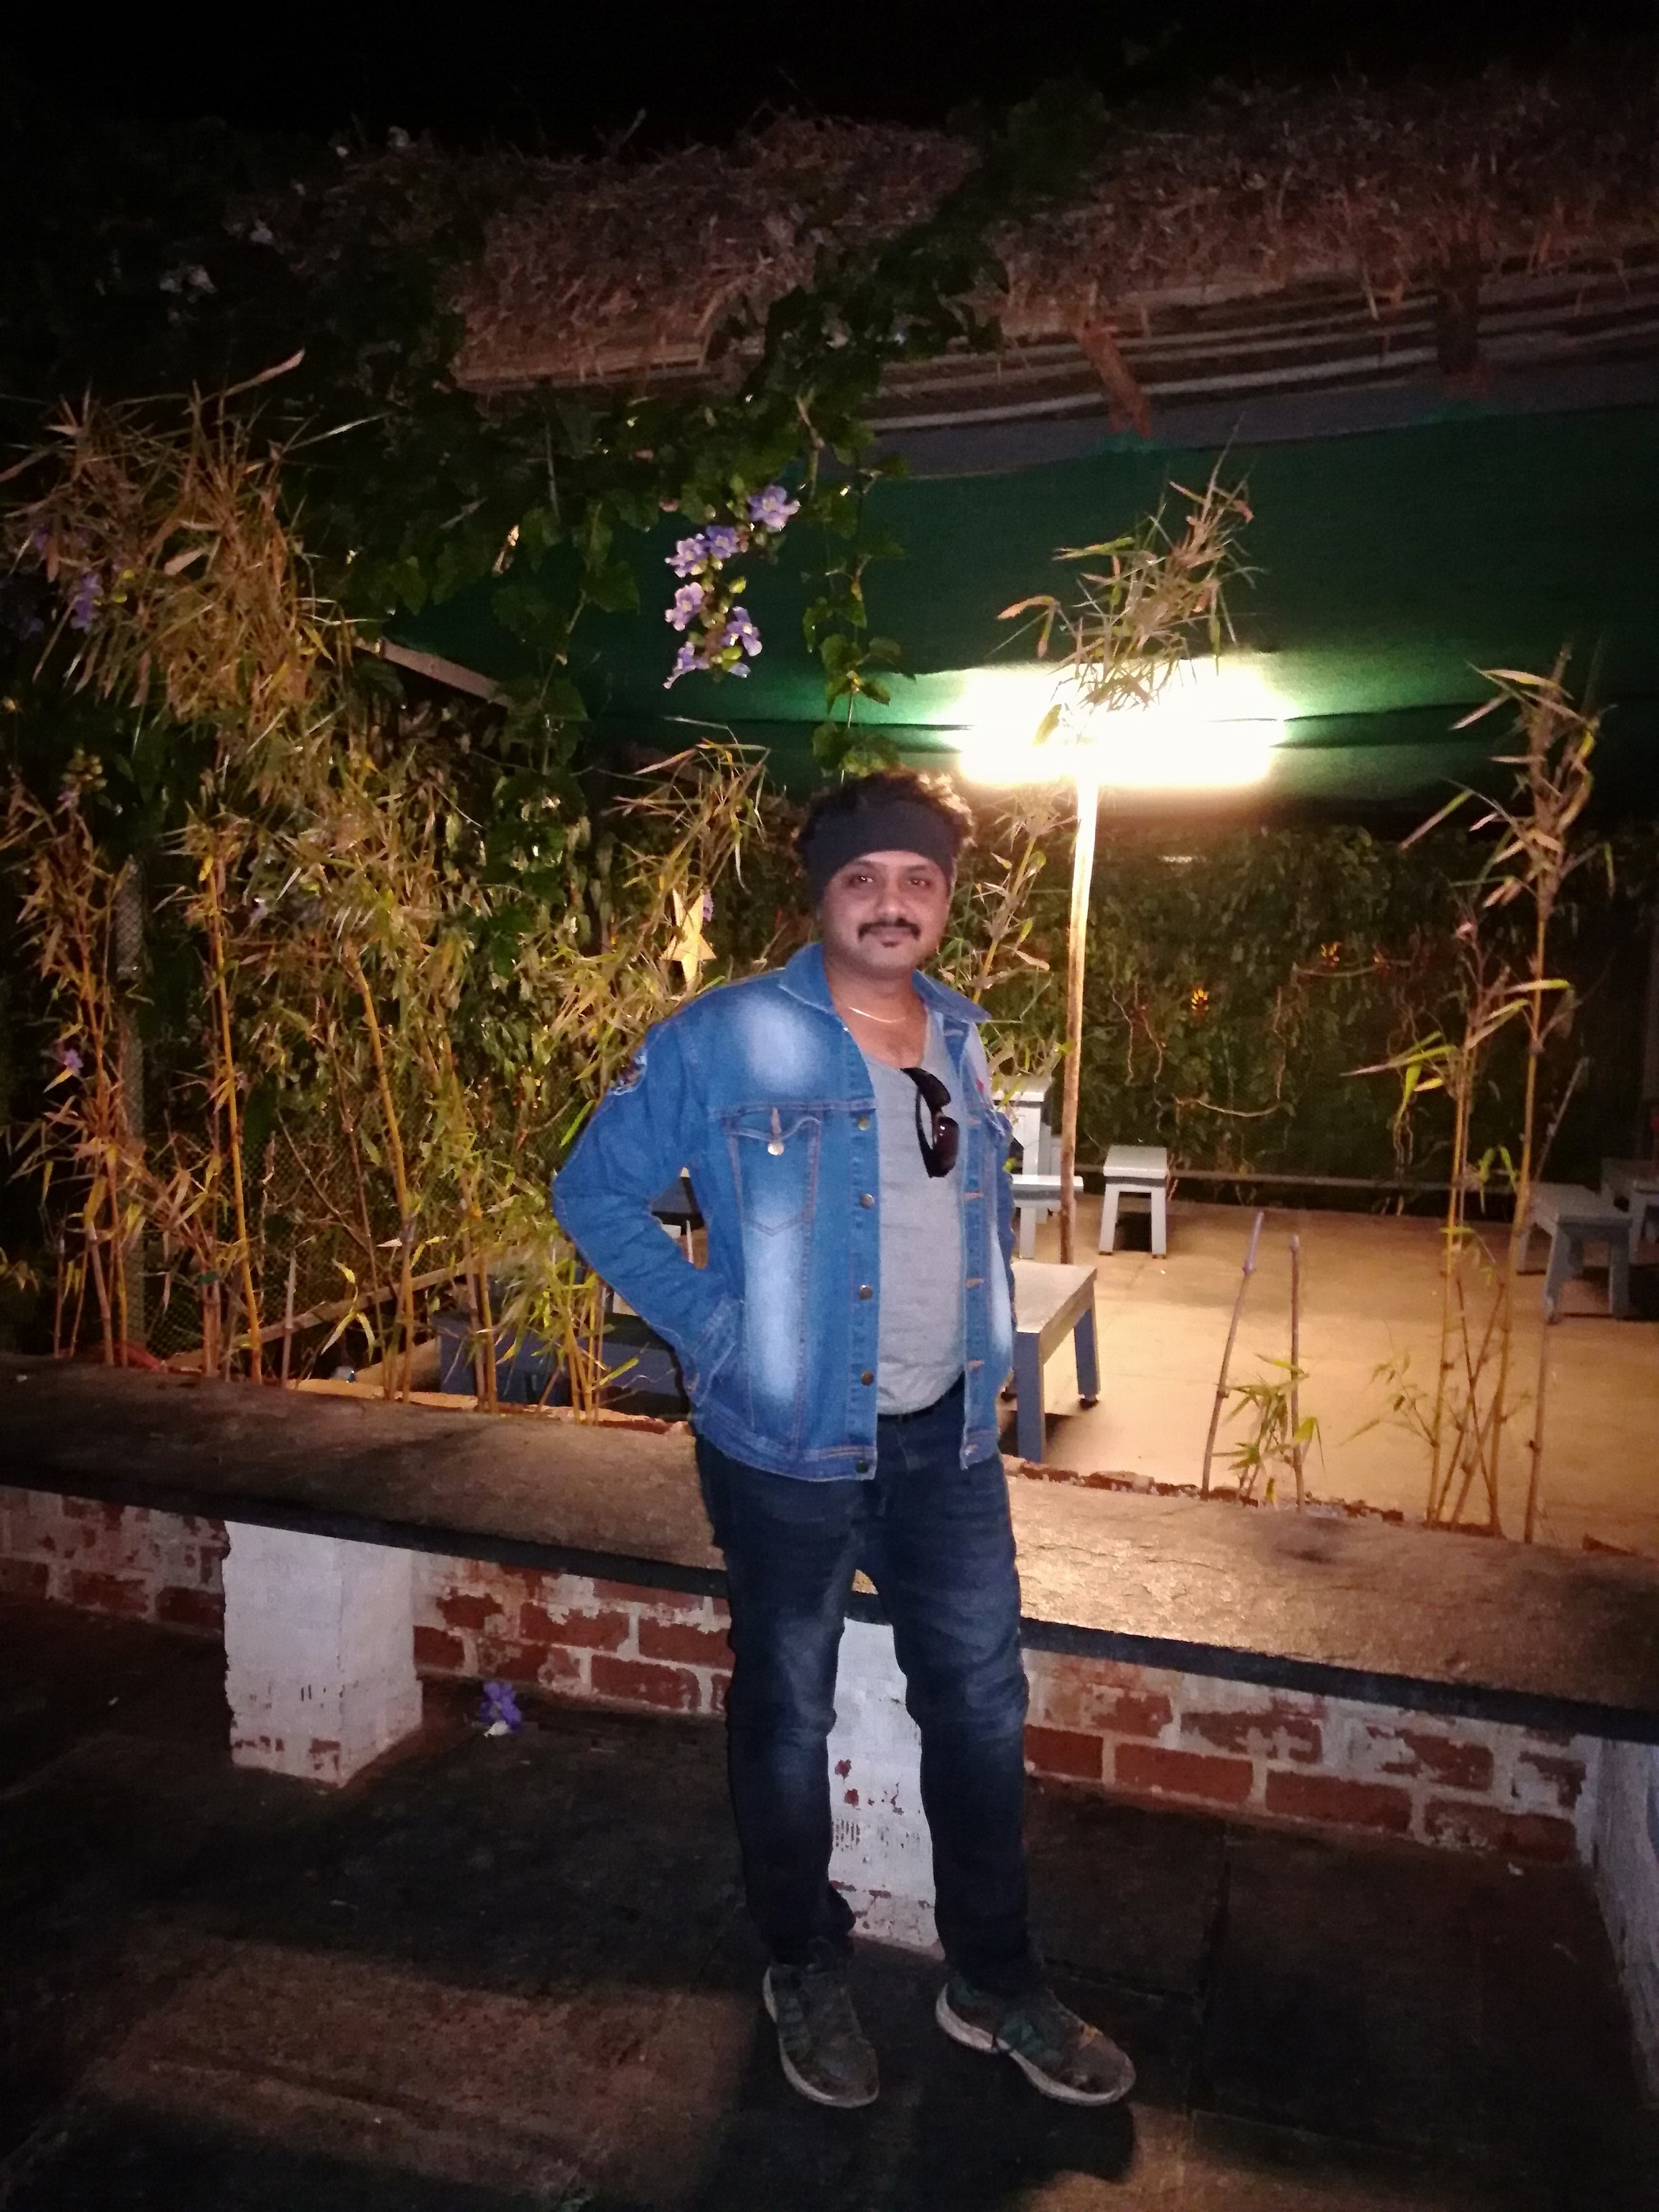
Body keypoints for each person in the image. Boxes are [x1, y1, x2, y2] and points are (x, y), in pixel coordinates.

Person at [552, 768, 1133, 2112]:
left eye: (919, 880)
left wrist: (985, 1373)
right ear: (820, 894)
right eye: (863, 879)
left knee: (981, 1712)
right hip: (785, 1450)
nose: (892, 902)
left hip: (948, 1446)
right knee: (786, 1716)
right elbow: (594, 1193)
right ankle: (803, 1963)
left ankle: (992, 1979)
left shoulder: (963, 1040)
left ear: (946, 898)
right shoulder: (724, 1037)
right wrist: (719, 1326)